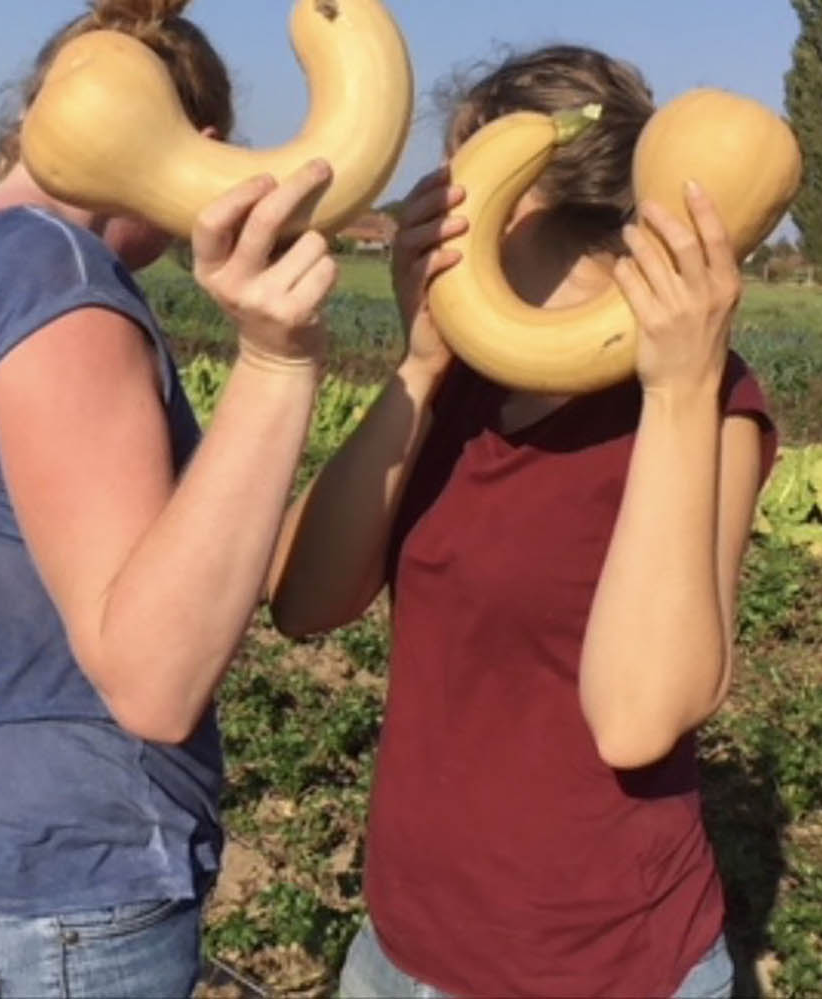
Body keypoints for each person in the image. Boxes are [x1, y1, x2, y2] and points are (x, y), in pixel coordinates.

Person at [0, 1, 342, 995]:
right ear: (193, 150)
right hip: (52, 917)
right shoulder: (54, 279)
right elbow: (155, 680)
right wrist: (277, 361)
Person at [267, 45, 780, 999]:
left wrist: (678, 392)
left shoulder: (708, 404)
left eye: (447, 173)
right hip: (398, 951)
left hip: (597, 970)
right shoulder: (451, 381)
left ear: (511, 196)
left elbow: (637, 720)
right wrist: (416, 367)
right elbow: (302, 601)